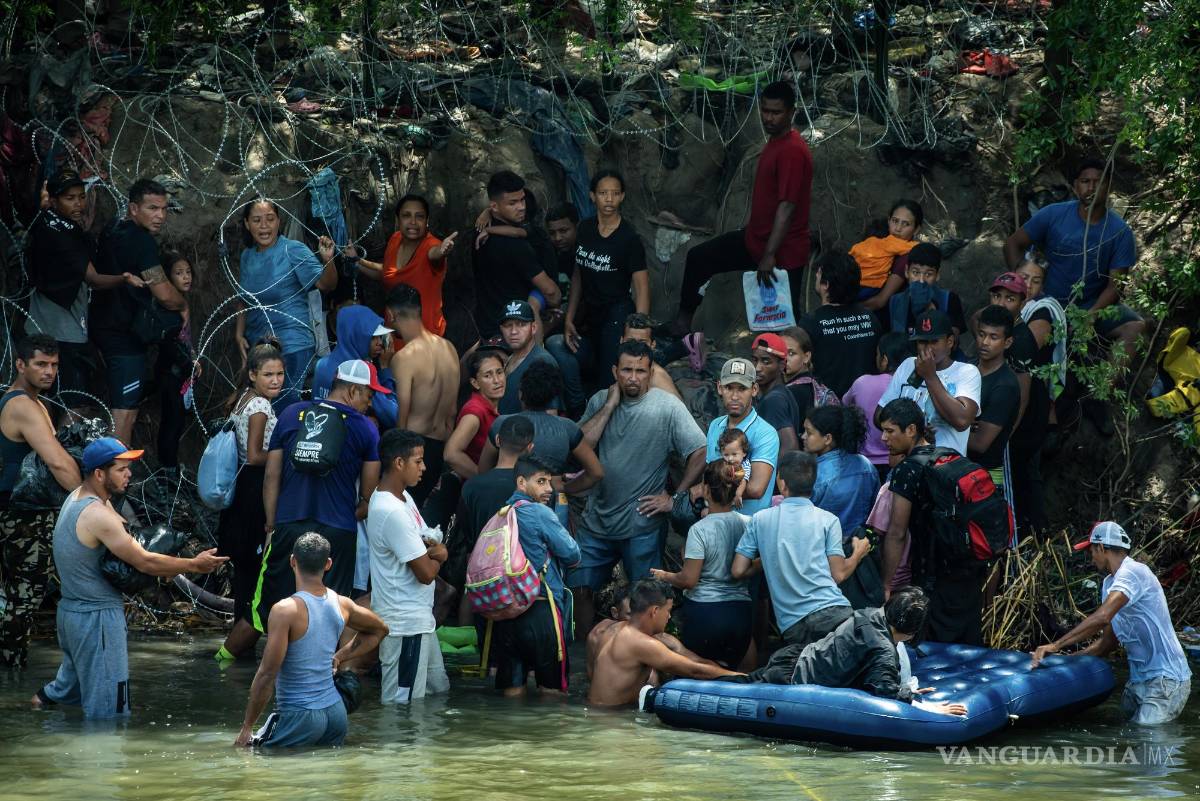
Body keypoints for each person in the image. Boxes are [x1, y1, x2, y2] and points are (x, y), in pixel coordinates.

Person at [32, 438, 226, 717]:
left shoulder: (76, 498)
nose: (129, 474)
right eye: (121, 469)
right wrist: (195, 565)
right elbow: (144, 561)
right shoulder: (97, 514)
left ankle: (34, 718)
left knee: (60, 692)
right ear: (99, 474)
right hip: (96, 620)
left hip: (71, 614)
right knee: (110, 712)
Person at [568, 341, 708, 636]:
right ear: (615, 371)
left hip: (642, 523)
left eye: (641, 371)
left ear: (651, 372)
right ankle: (583, 657)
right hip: (597, 520)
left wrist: (675, 496)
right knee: (578, 589)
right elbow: (578, 446)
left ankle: (642, 660)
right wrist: (609, 405)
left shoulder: (666, 406)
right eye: (627, 370)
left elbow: (700, 451)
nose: (633, 377)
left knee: (645, 599)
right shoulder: (599, 401)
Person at [1004, 158, 1144, 435]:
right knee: (1037, 348)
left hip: (1093, 305)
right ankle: (1042, 413)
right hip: (1050, 303)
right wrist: (1022, 287)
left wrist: (1090, 316)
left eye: (1098, 181)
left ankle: (1099, 396)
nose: (1092, 187)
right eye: (1085, 181)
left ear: (1108, 186)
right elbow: (1013, 243)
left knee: (1135, 327)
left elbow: (1116, 286)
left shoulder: (1119, 232)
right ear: (1076, 186)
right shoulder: (1055, 214)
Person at [674, 81, 813, 336]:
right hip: (754, 240)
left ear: (792, 112)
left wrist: (769, 255)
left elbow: (787, 206)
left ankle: (802, 365)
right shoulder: (775, 142)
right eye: (765, 110)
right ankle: (683, 324)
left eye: (776, 112)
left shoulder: (792, 151)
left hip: (783, 252)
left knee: (786, 318)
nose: (769, 118)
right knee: (699, 258)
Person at [254, 359, 383, 633]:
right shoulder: (365, 428)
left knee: (278, 608)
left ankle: (277, 668)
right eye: (368, 396)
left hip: (289, 525)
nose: (369, 404)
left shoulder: (290, 414)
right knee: (333, 608)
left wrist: (271, 524)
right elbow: (368, 493)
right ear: (352, 391)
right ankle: (330, 670)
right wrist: (355, 511)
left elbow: (271, 476)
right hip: (337, 530)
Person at [234, 533, 388, 747]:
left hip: (300, 715)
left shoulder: (285, 610)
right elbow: (380, 630)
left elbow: (267, 674)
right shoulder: (343, 604)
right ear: (328, 564)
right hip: (336, 714)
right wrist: (341, 656)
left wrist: (247, 727)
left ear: (292, 561)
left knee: (249, 755)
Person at [1031, 522, 1192, 725]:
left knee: (1146, 737)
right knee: (1128, 736)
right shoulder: (1109, 584)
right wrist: (1064, 661)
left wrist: (1056, 645)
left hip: (1166, 680)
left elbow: (1102, 617)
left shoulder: (1134, 571)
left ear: (1102, 547)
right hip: (1138, 682)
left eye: (1092, 551)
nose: (1091, 557)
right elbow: (1106, 644)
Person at [721, 586, 967, 716]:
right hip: (792, 676)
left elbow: (869, 673)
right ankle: (684, 678)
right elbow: (887, 693)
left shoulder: (871, 614)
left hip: (794, 657)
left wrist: (904, 688)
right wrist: (935, 709)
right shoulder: (884, 649)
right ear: (912, 632)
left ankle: (691, 672)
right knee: (733, 686)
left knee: (737, 681)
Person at [24, 169, 138, 410]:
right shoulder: (66, 235)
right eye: (69, 198)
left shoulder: (43, 221)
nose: (78, 204)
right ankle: (65, 447)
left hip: (37, 324)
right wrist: (125, 278)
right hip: (65, 331)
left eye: (80, 196)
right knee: (76, 405)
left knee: (44, 400)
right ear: (54, 200)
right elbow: (94, 279)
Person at [0, 335, 82, 668]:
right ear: (21, 365)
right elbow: (57, 462)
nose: (49, 372)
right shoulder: (21, 404)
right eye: (41, 364)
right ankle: (10, 670)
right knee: (24, 595)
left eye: (54, 365)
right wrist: (88, 502)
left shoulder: (36, 403)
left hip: (24, 511)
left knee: (20, 595)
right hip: (20, 515)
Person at [878, 398, 988, 644]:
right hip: (969, 569)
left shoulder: (908, 469)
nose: (884, 439)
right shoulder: (951, 456)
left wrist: (886, 584)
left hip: (933, 576)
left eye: (889, 431)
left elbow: (897, 532)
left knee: (933, 648)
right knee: (967, 644)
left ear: (911, 430)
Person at [732, 451, 870, 646]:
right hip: (834, 613)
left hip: (793, 625)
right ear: (812, 484)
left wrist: (771, 556)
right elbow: (838, 574)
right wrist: (858, 553)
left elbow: (738, 570)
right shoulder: (828, 520)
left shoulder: (760, 519)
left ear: (782, 484)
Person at [90, 178, 186, 445]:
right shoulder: (142, 241)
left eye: (164, 209)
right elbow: (164, 293)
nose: (160, 216)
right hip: (123, 336)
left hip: (102, 326)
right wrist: (184, 306)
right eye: (152, 208)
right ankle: (116, 477)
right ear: (134, 208)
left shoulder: (112, 228)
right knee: (125, 414)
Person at [547, 169, 649, 414]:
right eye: (603, 193)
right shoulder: (585, 229)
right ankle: (577, 405)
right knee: (557, 345)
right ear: (592, 196)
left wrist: (640, 330)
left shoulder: (629, 238)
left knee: (609, 381)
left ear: (622, 196)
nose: (609, 199)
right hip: (589, 317)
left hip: (617, 314)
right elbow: (578, 275)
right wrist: (569, 318)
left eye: (615, 193)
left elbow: (641, 286)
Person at [215, 340, 285, 662]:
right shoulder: (260, 407)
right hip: (254, 490)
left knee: (245, 573)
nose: (275, 380)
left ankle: (240, 641)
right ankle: (242, 641)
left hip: (242, 489)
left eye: (280, 374)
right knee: (254, 572)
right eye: (268, 374)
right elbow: (255, 454)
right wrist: (286, 454)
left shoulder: (244, 399)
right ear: (253, 375)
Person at [369, 429, 451, 704]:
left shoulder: (403, 498)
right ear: (398, 463)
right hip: (404, 625)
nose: (424, 467)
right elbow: (426, 573)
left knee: (437, 691)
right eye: (418, 461)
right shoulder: (390, 509)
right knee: (401, 707)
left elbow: (426, 537)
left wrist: (435, 550)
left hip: (419, 621)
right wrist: (440, 555)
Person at [235, 197, 338, 410]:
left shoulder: (293, 250)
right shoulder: (247, 256)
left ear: (279, 221)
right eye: (256, 220)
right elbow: (243, 300)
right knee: (263, 412)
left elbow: (326, 284)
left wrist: (328, 260)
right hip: (259, 347)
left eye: (270, 219)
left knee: (284, 410)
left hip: (292, 347)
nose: (264, 226)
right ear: (247, 224)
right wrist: (239, 334)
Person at [492, 455, 582, 696]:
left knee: (511, 694)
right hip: (542, 608)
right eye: (541, 482)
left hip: (506, 610)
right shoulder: (540, 513)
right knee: (552, 695)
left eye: (549, 482)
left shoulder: (502, 512)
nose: (549, 489)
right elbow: (573, 555)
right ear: (522, 482)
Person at [651, 463, 754, 670]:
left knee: (699, 679)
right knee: (738, 683)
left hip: (706, 613)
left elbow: (689, 580)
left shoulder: (699, 530)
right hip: (741, 612)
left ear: (706, 490)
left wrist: (664, 575)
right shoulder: (748, 523)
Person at [588, 578, 743, 706]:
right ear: (655, 611)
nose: (669, 617)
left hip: (598, 716)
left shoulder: (610, 630)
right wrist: (744, 678)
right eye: (668, 611)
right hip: (612, 724)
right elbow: (694, 671)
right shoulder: (640, 642)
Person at [995, 267, 1062, 536]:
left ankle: (1032, 537)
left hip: (1025, 424)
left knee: (1022, 478)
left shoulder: (1022, 338)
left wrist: (1006, 432)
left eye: (1009, 298)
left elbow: (1021, 396)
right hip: (1013, 423)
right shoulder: (1002, 331)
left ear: (1022, 304)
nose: (1001, 303)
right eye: (997, 297)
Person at [479, 362, 605, 497]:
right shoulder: (567, 428)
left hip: (505, 503)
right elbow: (596, 473)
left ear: (521, 393)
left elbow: (482, 472)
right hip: (547, 505)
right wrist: (564, 487)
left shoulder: (502, 424)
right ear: (553, 397)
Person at [385, 284, 461, 506]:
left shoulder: (404, 358)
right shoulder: (449, 348)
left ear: (391, 314)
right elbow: (452, 411)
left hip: (411, 450)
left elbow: (403, 414)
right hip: (439, 448)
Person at [448, 415, 535, 599]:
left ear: (497, 440)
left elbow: (464, 532)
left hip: (480, 576)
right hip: (521, 576)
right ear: (530, 448)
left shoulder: (472, 486)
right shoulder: (530, 488)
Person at [876, 309, 980, 457]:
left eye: (934, 341)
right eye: (922, 342)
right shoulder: (907, 365)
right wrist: (917, 432)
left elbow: (962, 421)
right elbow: (879, 415)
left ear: (949, 342)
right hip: (908, 464)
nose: (927, 348)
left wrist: (930, 376)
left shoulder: (966, 372)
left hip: (945, 468)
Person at [471, 171, 561, 341]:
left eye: (522, 200)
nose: (521, 207)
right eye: (513, 203)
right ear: (494, 207)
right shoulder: (516, 246)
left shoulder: (479, 234)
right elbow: (552, 293)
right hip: (515, 331)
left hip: (487, 327)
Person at [353, 193, 457, 338]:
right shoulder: (395, 239)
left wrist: (442, 251)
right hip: (393, 335)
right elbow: (387, 275)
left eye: (419, 216)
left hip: (425, 341)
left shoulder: (432, 246)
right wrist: (357, 262)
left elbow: (435, 255)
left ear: (427, 221)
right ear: (398, 220)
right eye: (406, 215)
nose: (413, 221)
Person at [800, 251, 883, 397]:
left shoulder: (810, 323)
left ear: (826, 284)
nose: (816, 277)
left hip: (827, 407)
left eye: (818, 274)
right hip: (864, 402)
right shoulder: (870, 318)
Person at [705, 357, 780, 516]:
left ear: (754, 389)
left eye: (742, 388)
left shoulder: (765, 433)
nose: (734, 396)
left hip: (749, 528)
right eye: (729, 388)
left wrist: (708, 491)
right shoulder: (715, 426)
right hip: (716, 520)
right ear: (719, 388)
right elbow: (708, 473)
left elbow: (755, 489)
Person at [312, 304, 398, 427]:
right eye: (373, 337)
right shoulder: (360, 372)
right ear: (356, 335)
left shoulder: (322, 364)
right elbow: (393, 415)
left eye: (380, 337)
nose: (380, 343)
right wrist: (384, 368)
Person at [154, 251, 199, 482]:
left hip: (179, 373)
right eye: (179, 273)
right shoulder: (169, 308)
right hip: (172, 374)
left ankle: (169, 468)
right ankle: (168, 471)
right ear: (168, 279)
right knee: (172, 421)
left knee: (176, 421)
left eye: (188, 272)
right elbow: (170, 343)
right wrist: (188, 363)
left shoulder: (181, 303)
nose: (186, 277)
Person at [843, 331, 911, 483]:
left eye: (877, 354)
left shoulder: (862, 382)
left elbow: (845, 404)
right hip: (900, 461)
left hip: (865, 464)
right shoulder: (912, 387)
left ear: (884, 360)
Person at [968, 304, 1022, 487]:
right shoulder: (967, 369)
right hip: (959, 468)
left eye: (993, 337)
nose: (984, 342)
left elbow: (980, 443)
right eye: (982, 334)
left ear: (1007, 342)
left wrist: (943, 427)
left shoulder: (1005, 385)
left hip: (984, 475)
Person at [804, 405, 880, 534]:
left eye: (809, 432)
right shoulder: (866, 466)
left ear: (828, 438)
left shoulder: (815, 474)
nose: (803, 436)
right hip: (859, 544)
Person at [443, 349, 507, 482]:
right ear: (475, 383)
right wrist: (484, 480)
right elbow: (451, 454)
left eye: (499, 372)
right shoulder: (475, 411)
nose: (497, 380)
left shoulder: (488, 407)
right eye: (488, 375)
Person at [859, 199, 924, 318]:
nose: (898, 228)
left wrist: (844, 309)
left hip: (882, 320)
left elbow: (880, 301)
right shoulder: (878, 242)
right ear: (888, 220)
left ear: (916, 229)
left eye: (906, 224)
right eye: (895, 221)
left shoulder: (908, 257)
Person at [886, 243, 967, 338]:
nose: (921, 280)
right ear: (906, 271)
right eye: (915, 272)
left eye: (928, 274)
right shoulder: (895, 301)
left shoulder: (949, 300)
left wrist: (931, 310)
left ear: (937, 275)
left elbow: (953, 342)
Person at [496, 299, 559, 415]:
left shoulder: (543, 362)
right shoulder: (509, 359)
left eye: (521, 324)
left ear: (534, 328)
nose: (514, 331)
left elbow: (549, 416)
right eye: (508, 325)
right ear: (501, 329)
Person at [619, 313, 683, 400]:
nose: (636, 347)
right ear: (621, 341)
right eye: (630, 341)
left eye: (642, 343)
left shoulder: (658, 378)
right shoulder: (617, 366)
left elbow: (679, 409)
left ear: (653, 345)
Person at [545, 203, 579, 280]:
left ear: (576, 227)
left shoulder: (588, 253)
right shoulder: (548, 254)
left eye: (563, 231)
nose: (557, 238)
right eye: (552, 233)